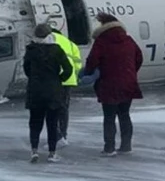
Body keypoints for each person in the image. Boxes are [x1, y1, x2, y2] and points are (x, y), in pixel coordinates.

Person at [83, 13, 144, 156]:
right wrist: (130, 72)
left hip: (109, 84)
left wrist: (88, 73)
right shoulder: (128, 40)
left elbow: (92, 61)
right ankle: (126, 146)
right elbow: (139, 57)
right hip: (128, 83)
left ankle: (109, 148)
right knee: (124, 114)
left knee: (109, 117)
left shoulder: (102, 42)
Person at [24, 23, 73, 162]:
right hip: (53, 91)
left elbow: (27, 69)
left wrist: (34, 79)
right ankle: (52, 153)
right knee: (52, 123)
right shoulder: (56, 50)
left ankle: (34, 151)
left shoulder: (31, 50)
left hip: (35, 91)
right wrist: (59, 79)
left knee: (35, 123)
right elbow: (68, 68)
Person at [50, 27, 82, 145]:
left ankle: (56, 135)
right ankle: (63, 134)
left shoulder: (50, 41)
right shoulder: (71, 44)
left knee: (51, 109)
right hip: (68, 80)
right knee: (63, 109)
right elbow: (78, 64)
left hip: (53, 79)